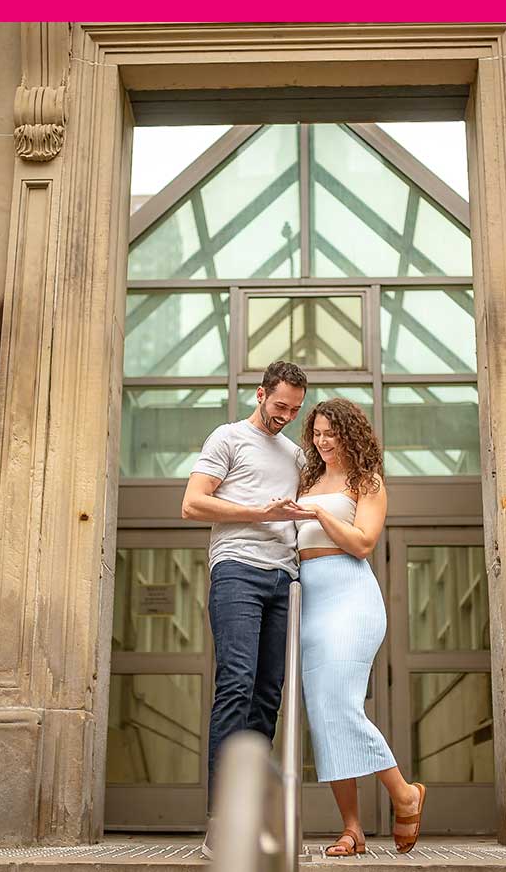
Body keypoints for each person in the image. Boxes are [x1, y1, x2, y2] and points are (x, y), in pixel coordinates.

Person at [181, 360, 315, 860]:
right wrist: (260, 512)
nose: (286, 415)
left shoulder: (297, 454)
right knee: (235, 682)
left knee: (268, 695)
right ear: (260, 394)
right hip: (237, 568)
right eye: (280, 405)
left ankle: (252, 813)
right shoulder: (228, 437)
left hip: (286, 579)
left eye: (295, 410)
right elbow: (193, 503)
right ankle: (222, 820)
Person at [294, 398, 425, 856]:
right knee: (325, 716)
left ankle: (404, 793)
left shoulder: (366, 483)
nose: (322, 441)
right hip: (310, 604)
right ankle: (352, 830)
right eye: (317, 433)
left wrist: (319, 515)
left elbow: (363, 544)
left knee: (342, 705)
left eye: (331, 432)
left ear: (350, 433)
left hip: (351, 598)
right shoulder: (307, 480)